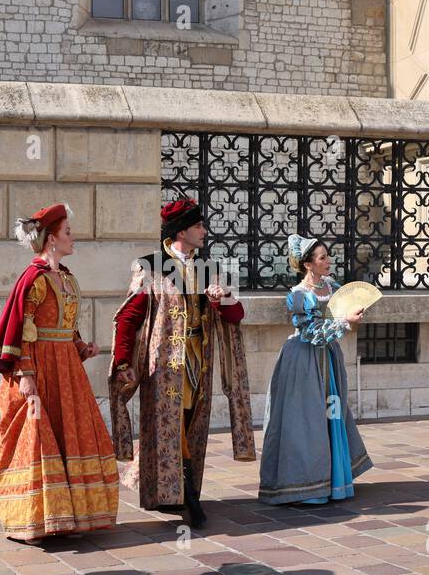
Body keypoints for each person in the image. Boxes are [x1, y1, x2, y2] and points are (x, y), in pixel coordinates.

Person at [109, 198, 255, 528]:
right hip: (163, 363)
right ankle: (187, 497)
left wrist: (223, 299)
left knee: (190, 423)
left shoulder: (209, 269)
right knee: (168, 426)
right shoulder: (150, 266)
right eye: (199, 226)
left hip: (198, 360)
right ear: (183, 230)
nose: (205, 231)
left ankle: (174, 492)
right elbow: (129, 316)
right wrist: (122, 360)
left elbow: (236, 316)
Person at [0, 203, 120, 543]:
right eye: (68, 233)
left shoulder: (68, 279)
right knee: (38, 439)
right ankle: (35, 518)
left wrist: (80, 347)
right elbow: (24, 331)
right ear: (52, 239)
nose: (73, 238)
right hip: (41, 368)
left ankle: (70, 515)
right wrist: (26, 375)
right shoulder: (35, 280)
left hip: (67, 370)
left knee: (72, 434)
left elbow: (66, 326)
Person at [259, 235, 372, 505]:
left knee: (332, 412)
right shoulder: (299, 295)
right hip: (303, 362)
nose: (328, 261)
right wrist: (344, 322)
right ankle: (303, 484)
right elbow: (310, 333)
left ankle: (334, 479)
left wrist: (352, 314)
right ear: (308, 264)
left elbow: (343, 309)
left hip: (328, 359)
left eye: (327, 256)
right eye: (322, 257)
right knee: (305, 420)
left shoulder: (331, 285)